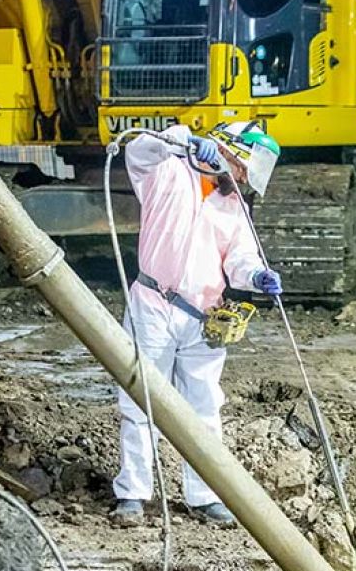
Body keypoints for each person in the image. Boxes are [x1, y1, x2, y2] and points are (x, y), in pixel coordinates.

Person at [111, 121, 282, 527]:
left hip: (203, 316)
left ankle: (204, 496)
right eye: (242, 168)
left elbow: (239, 256)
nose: (243, 178)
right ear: (228, 151)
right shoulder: (166, 171)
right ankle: (133, 494)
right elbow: (136, 149)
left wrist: (256, 275)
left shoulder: (232, 205)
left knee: (204, 407)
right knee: (140, 400)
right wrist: (185, 140)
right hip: (152, 304)